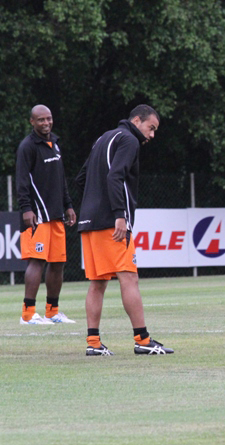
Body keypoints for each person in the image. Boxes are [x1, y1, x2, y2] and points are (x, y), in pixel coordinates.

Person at [74, 105, 174, 356]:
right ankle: (142, 339)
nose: (151, 135)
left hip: (90, 221)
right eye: (151, 128)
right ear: (137, 120)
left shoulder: (103, 138)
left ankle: (94, 344)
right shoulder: (129, 140)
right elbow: (115, 177)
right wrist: (119, 214)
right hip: (112, 223)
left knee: (97, 283)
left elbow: (81, 179)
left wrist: (93, 206)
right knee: (129, 277)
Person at [15, 104, 77, 325]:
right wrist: (26, 209)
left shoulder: (55, 143)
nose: (46, 123)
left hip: (56, 214)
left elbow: (60, 179)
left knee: (58, 263)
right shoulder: (27, 146)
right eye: (40, 120)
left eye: (49, 119)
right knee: (37, 261)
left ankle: (52, 311)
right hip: (37, 215)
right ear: (32, 122)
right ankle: (28, 314)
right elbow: (21, 182)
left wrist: (68, 205)